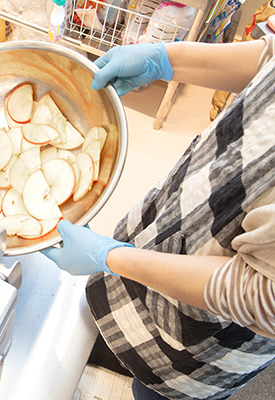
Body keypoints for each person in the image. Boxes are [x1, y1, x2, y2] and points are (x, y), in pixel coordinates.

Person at [42, 35, 275, 400]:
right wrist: (166, 59)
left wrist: (109, 256)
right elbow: (270, 57)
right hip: (191, 216)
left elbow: (263, 296)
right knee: (127, 331)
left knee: (158, 390)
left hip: (213, 329)